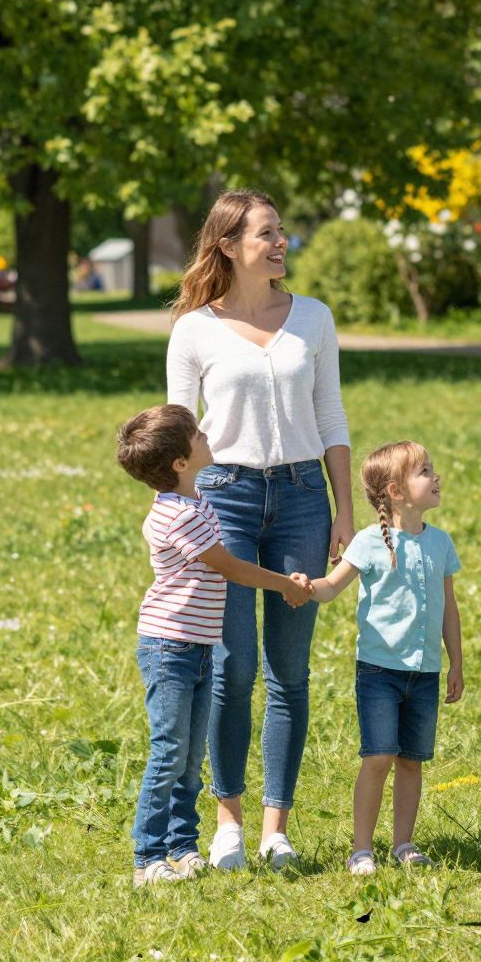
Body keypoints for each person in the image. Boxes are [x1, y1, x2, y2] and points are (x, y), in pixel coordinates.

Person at [166, 190, 354, 873]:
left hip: (304, 498)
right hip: (225, 499)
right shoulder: (194, 330)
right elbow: (176, 432)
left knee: (289, 670)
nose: (280, 243)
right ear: (227, 245)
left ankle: (277, 827)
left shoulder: (313, 319)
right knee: (231, 666)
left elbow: (331, 417)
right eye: (266, 234)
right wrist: (178, 515)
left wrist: (344, 509)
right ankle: (228, 823)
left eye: (282, 232)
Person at [115, 404, 313, 887]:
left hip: (197, 646)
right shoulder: (180, 515)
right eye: (197, 434)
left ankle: (183, 848)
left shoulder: (196, 501)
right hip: (170, 647)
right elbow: (229, 566)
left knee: (188, 758)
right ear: (180, 463)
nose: (207, 436)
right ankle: (148, 857)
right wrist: (284, 583)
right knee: (169, 751)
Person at [306, 440, 463, 873]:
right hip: (379, 671)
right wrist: (305, 587)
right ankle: (361, 848)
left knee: (411, 761)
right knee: (378, 756)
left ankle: (403, 843)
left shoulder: (441, 544)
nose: (435, 478)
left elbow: (450, 608)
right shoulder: (370, 541)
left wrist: (457, 663)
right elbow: (332, 586)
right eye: (424, 472)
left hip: (425, 672)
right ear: (396, 491)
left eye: (431, 469)